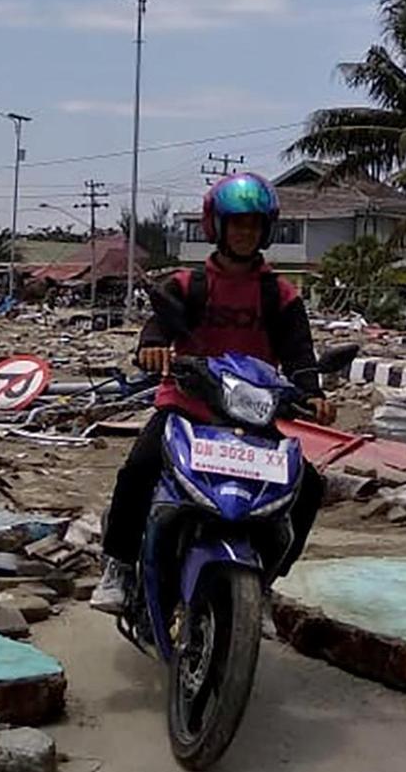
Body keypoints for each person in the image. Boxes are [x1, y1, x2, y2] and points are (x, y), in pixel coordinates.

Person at [91, 173, 335, 615]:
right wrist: (150, 347)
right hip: (188, 408)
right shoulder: (187, 285)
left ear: (266, 230)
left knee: (309, 486)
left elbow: (300, 354)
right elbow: (158, 326)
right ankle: (119, 566)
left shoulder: (279, 295)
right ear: (217, 227)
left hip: (253, 419)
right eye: (237, 223)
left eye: (254, 224)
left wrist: (312, 392)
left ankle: (264, 580)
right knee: (139, 468)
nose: (246, 232)